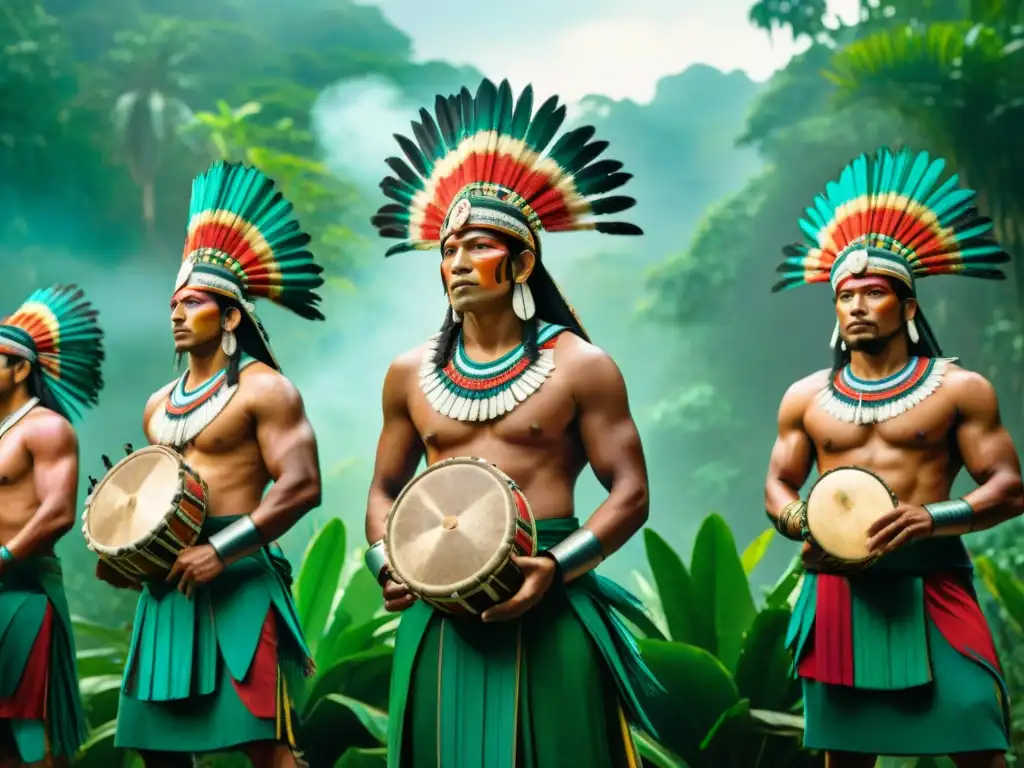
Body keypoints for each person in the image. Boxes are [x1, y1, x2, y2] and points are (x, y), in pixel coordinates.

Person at [365, 77, 663, 768]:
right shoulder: (409, 373)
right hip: (437, 611)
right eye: (447, 249)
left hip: (552, 594)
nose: (458, 261)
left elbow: (631, 492)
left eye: (477, 245)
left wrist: (556, 567)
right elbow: (383, 491)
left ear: (523, 260)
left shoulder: (581, 365)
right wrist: (389, 561)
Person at [764, 147, 1023, 768]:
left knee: (978, 737)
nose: (855, 304)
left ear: (908, 308)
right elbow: (777, 483)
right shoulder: (805, 398)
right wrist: (805, 524)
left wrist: (931, 518)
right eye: (844, 294)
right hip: (838, 587)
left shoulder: (960, 390)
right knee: (845, 758)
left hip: (933, 579)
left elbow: (1010, 486)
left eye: (874, 292)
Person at [96, 161, 325, 768]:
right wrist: (125, 557)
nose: (177, 312)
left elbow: (302, 486)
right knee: (156, 749)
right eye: (174, 303)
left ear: (229, 318)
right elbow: (149, 500)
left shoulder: (265, 390)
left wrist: (222, 551)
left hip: (240, 575)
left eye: (194, 302)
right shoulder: (155, 407)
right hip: (168, 583)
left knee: (267, 748)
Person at [0, 284, 103, 766]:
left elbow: (58, 511)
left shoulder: (46, 428)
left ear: (20, 368)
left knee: (31, 729)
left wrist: (4, 557)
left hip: (25, 592)